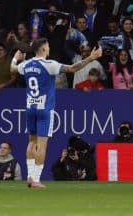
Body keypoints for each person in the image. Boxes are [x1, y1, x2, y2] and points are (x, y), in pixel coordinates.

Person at [10, 38, 103, 188]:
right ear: (43, 49)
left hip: (30, 108)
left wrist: (15, 58)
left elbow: (12, 69)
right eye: (48, 45)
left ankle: (29, 176)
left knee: (31, 142)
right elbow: (73, 68)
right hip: (45, 110)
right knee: (42, 145)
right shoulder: (49, 64)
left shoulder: (26, 64)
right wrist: (91, 57)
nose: (49, 48)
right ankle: (36, 179)